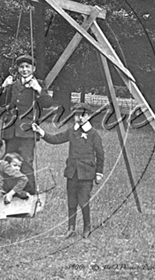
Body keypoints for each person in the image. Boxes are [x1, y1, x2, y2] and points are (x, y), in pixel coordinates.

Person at [32, 103, 104, 240]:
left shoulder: (93, 134)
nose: (79, 118)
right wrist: (41, 132)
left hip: (87, 173)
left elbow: (100, 154)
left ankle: (87, 227)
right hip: (72, 172)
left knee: (83, 201)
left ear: (89, 116)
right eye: (76, 115)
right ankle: (71, 228)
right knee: (71, 201)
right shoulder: (72, 131)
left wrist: (99, 173)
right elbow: (56, 139)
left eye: (83, 115)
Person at [0, 54, 55, 194]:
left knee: (26, 161)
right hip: (11, 129)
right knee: (8, 160)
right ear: (18, 69)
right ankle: (7, 189)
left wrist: (38, 89)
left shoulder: (39, 83)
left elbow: (47, 103)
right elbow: (1, 103)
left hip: (28, 130)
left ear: (33, 69)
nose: (24, 70)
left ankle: (30, 191)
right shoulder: (13, 83)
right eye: (21, 67)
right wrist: (3, 87)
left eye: (27, 67)